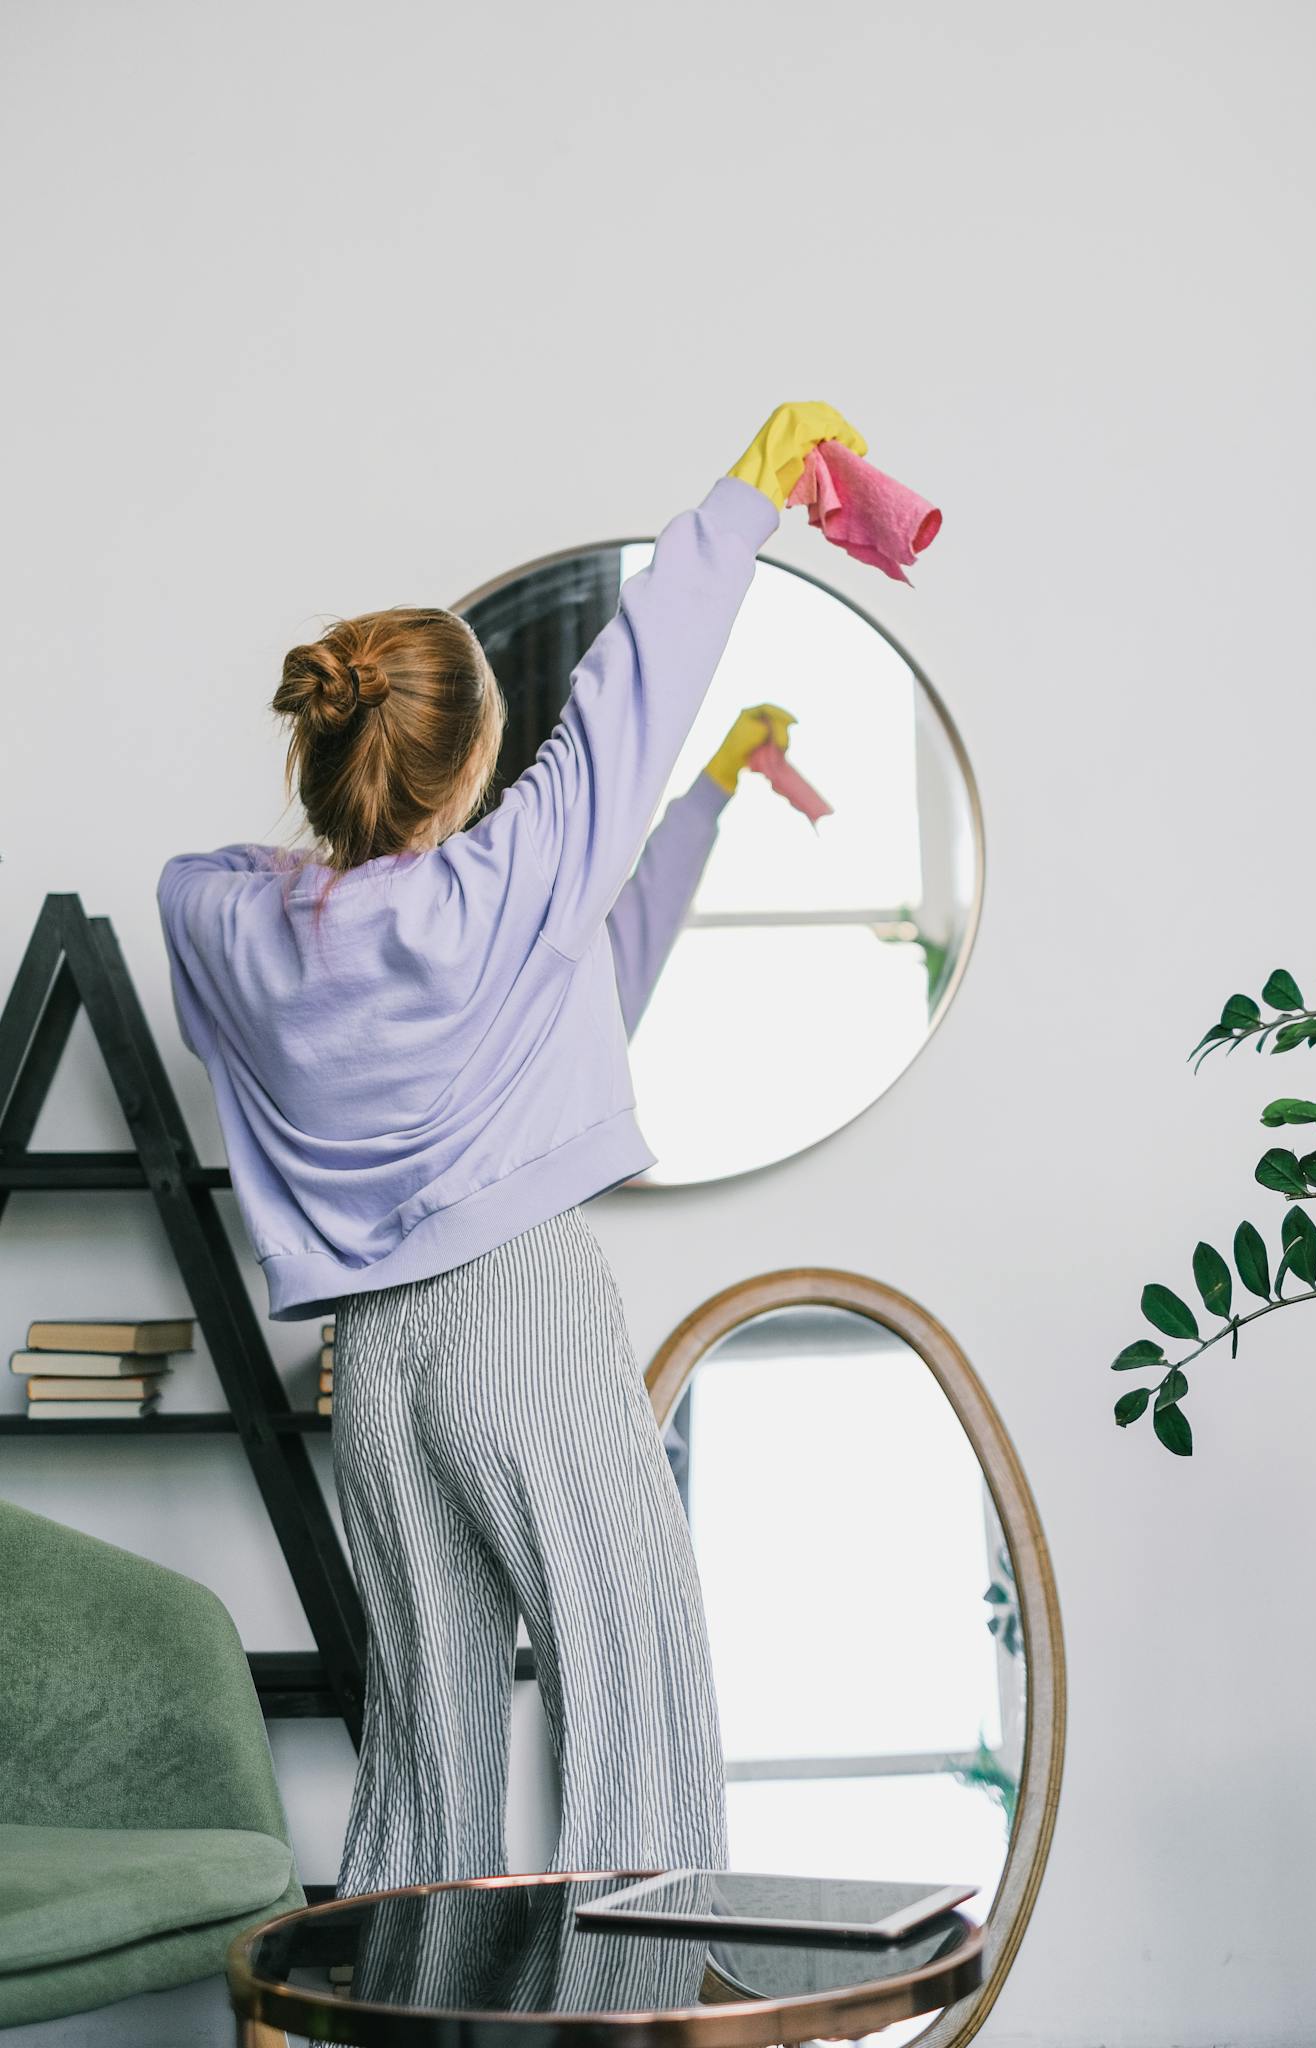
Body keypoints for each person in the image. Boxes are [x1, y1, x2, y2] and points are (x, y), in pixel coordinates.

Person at [155, 400, 868, 1894]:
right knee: (636, 1721)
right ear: (476, 766)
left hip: (381, 1370)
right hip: (522, 1308)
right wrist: (744, 497)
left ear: (324, 752)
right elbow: (632, 687)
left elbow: (574, 954)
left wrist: (715, 794)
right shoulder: (500, 892)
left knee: (424, 1765)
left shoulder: (228, 918)